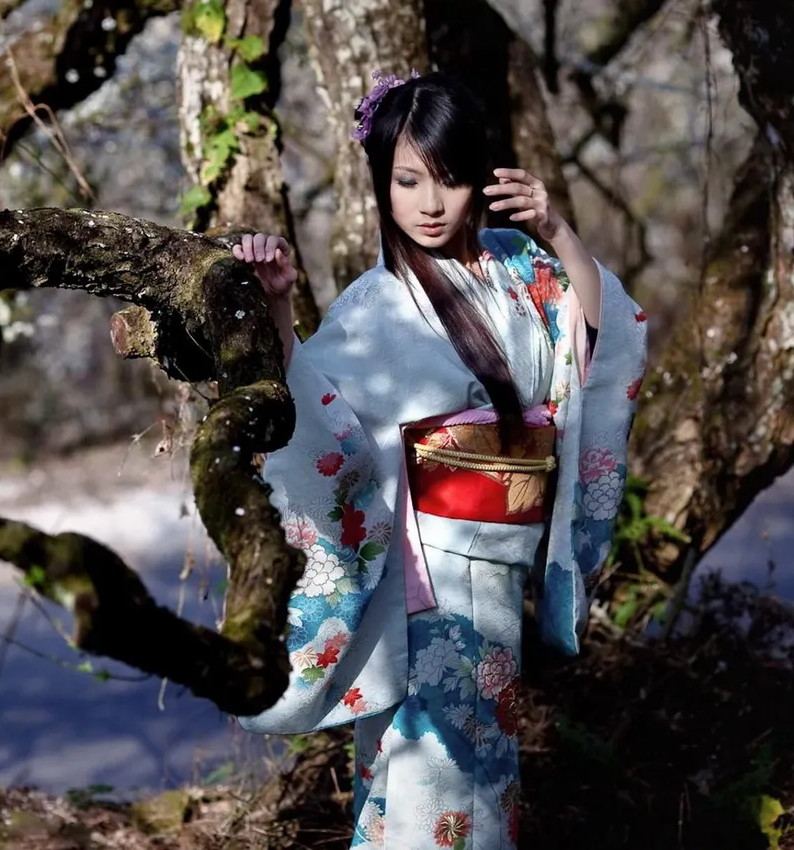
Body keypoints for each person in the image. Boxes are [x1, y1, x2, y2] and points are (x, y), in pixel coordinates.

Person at [229, 70, 648, 848]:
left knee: (475, 784)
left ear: (480, 178)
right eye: (408, 180)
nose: (429, 203)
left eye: (449, 179)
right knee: (432, 783)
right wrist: (279, 305)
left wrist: (558, 231)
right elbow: (313, 415)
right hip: (427, 589)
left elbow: (603, 340)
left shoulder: (521, 266)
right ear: (381, 184)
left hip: (497, 576)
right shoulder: (373, 307)